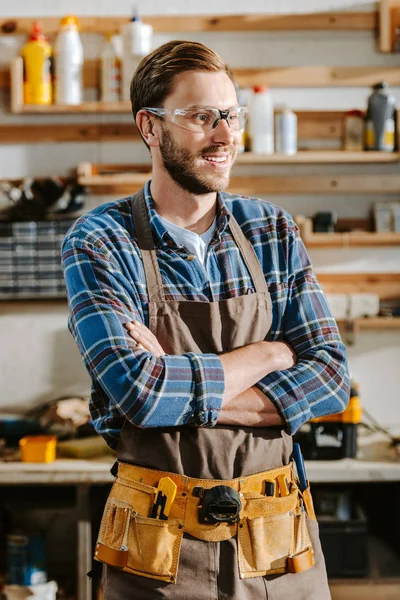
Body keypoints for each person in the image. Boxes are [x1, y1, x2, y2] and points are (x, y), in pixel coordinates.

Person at [62, 40, 350, 600]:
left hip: (278, 544)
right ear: (150, 128)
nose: (224, 136)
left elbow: (331, 377)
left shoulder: (271, 231)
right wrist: (267, 355)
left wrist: (173, 372)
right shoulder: (100, 240)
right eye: (200, 117)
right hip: (156, 548)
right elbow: (139, 396)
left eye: (231, 116)